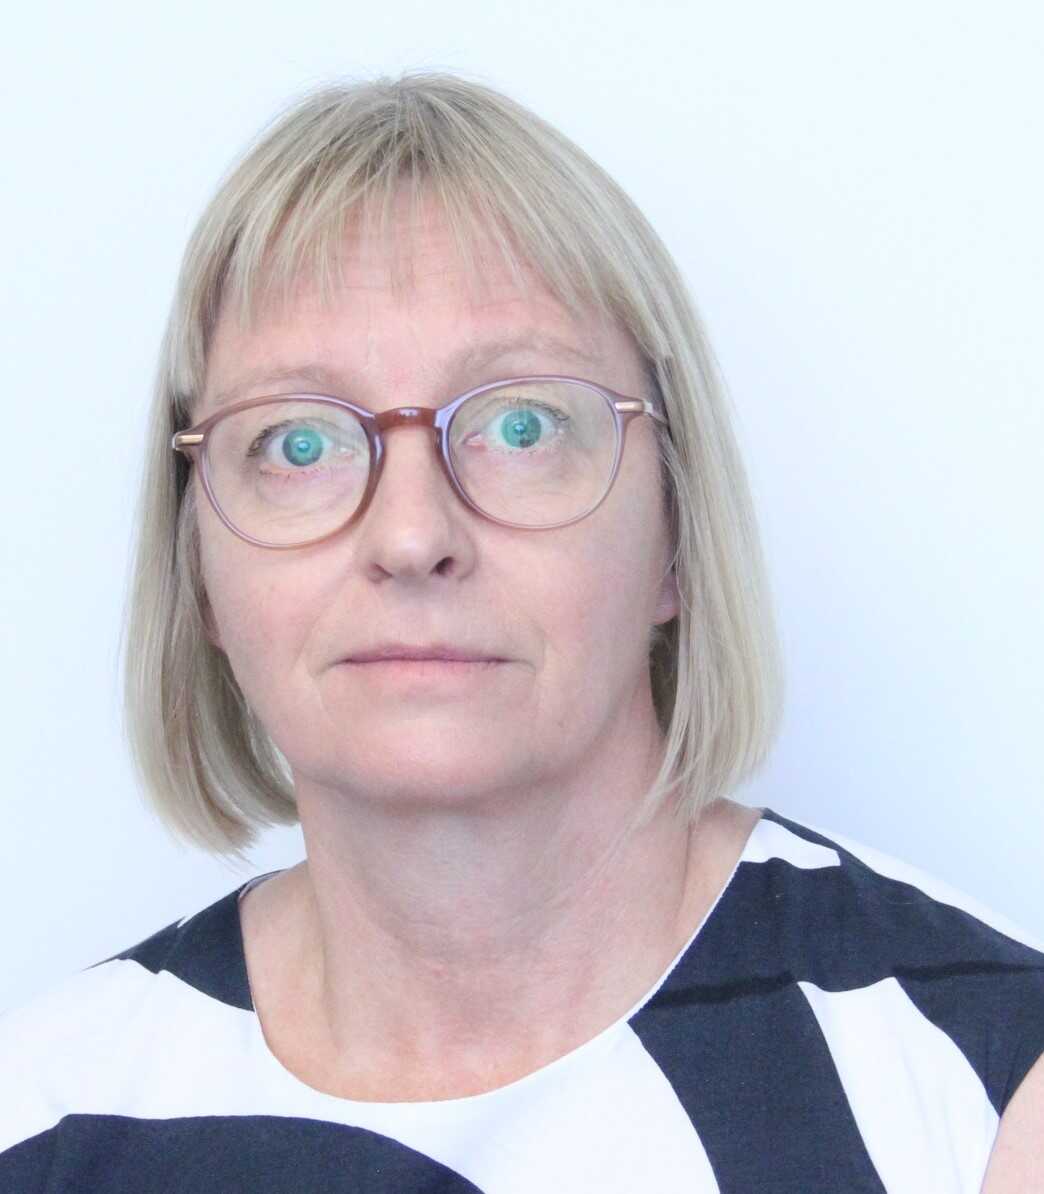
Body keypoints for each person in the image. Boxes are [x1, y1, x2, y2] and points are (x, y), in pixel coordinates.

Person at [1, 71, 1041, 1193]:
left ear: (677, 533)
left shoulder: (983, 1096)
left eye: (521, 422)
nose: (411, 534)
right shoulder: (44, 1119)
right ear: (197, 564)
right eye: (298, 443)